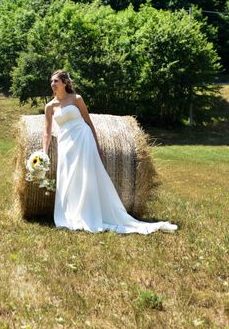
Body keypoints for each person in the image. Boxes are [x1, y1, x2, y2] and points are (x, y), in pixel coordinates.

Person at [43, 69, 176, 234]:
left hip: (83, 139)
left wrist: (97, 146)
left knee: (86, 176)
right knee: (68, 177)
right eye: (51, 81)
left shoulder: (77, 99)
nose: (52, 84)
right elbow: (47, 133)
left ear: (65, 83)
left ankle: (89, 213)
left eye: (55, 81)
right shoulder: (50, 106)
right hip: (65, 144)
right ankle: (71, 214)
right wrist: (43, 153)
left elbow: (89, 123)